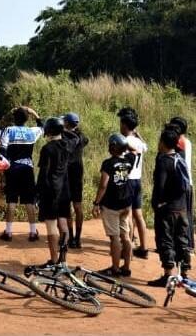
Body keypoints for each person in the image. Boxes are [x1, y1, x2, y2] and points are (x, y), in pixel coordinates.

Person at [147, 128, 192, 287]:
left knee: (165, 239)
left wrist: (157, 203)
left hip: (167, 209)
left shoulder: (163, 161)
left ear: (164, 143)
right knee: (182, 240)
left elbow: (159, 186)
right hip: (182, 208)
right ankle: (185, 274)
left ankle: (167, 275)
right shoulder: (179, 158)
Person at [91, 134, 136, 277]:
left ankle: (115, 268)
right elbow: (134, 151)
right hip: (126, 204)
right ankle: (126, 268)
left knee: (115, 238)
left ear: (112, 147)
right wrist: (124, 145)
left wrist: (96, 203)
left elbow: (103, 185)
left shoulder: (108, 163)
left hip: (112, 205)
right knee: (126, 236)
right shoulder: (129, 160)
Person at [35, 117, 77, 265]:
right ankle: (63, 260)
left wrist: (38, 193)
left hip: (51, 191)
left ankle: (54, 260)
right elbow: (76, 137)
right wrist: (63, 129)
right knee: (63, 223)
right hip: (65, 190)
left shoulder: (47, 149)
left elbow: (43, 174)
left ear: (50, 131)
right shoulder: (68, 145)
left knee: (51, 226)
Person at [0, 106, 43, 241]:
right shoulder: (32, 132)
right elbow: (42, 125)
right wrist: (32, 112)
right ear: (26, 119)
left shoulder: (9, 130)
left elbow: (3, 150)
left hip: (12, 168)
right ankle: (33, 232)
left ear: (14, 118)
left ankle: (9, 232)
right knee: (29, 201)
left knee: (11, 201)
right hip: (27, 168)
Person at [118, 106, 149, 259]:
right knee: (139, 215)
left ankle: (127, 249)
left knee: (127, 215)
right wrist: (138, 133)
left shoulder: (124, 141)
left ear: (124, 125)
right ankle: (144, 248)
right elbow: (146, 147)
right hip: (138, 180)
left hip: (128, 181)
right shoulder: (138, 141)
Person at [168, 116, 195, 254]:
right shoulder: (187, 141)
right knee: (186, 215)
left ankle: (185, 247)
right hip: (188, 183)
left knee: (182, 216)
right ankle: (188, 246)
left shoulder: (180, 142)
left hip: (182, 184)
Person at [64, 112, 89, 249]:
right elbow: (86, 140)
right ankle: (78, 239)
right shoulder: (81, 137)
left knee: (67, 207)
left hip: (66, 174)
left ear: (67, 123)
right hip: (78, 174)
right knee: (78, 206)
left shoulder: (64, 137)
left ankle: (71, 237)